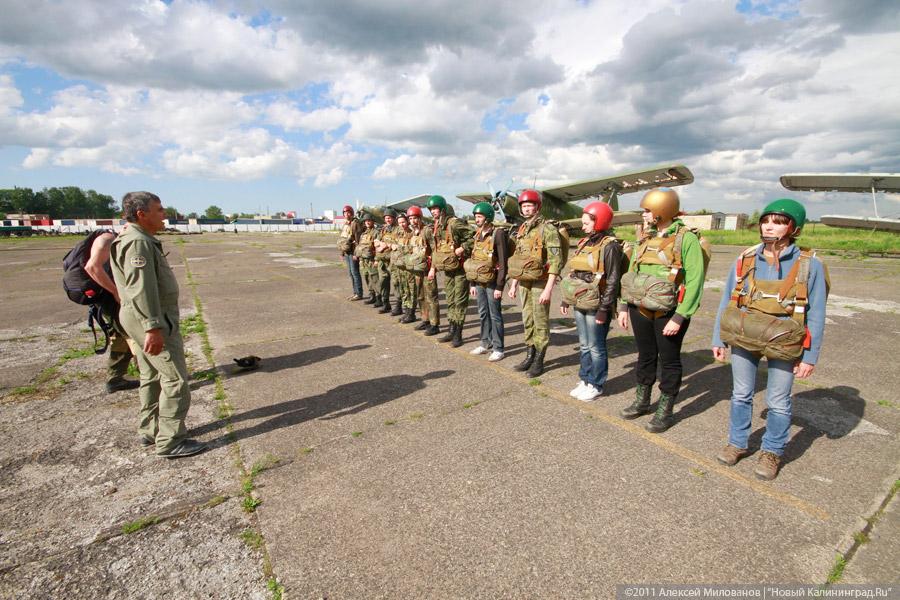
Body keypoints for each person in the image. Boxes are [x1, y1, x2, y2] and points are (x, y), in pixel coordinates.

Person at [711, 199, 827, 481]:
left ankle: (772, 451)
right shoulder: (745, 259)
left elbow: (817, 314)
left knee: (778, 400)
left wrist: (809, 357)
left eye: (778, 221)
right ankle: (737, 443)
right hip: (744, 335)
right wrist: (718, 338)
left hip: (785, 341)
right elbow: (728, 300)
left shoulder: (809, 265)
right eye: (766, 220)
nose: (769, 226)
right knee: (741, 393)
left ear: (793, 228)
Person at [110, 191, 206, 458]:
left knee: (151, 375)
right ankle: (171, 440)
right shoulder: (138, 243)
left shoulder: (136, 239)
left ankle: (150, 429)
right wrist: (153, 327)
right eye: (160, 210)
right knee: (175, 379)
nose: (164, 214)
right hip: (151, 319)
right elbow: (142, 289)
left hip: (139, 317)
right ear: (142, 214)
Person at [617, 188, 705, 433]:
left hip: (669, 312)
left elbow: (696, 280)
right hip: (640, 308)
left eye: (647, 211)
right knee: (645, 356)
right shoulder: (645, 238)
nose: (644, 215)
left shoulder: (686, 239)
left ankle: (665, 409)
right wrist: (624, 305)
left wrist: (681, 316)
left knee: (669, 360)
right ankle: (642, 401)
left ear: (661, 210)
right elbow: (631, 272)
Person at [559, 202, 623, 401]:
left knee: (596, 347)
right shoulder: (585, 244)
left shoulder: (610, 246)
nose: (583, 226)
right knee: (585, 344)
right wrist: (566, 299)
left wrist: (605, 309)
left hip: (597, 305)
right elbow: (574, 273)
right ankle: (585, 379)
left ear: (599, 222)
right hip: (581, 301)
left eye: (586, 223)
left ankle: (597, 383)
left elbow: (613, 279)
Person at [507, 189, 563, 377]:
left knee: (540, 321)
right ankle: (529, 354)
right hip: (524, 281)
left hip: (540, 282)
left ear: (537, 207)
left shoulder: (547, 228)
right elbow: (518, 258)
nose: (527, 209)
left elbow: (556, 260)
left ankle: (540, 359)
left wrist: (549, 288)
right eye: (524, 206)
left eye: (530, 205)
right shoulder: (522, 229)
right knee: (527, 319)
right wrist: (514, 283)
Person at [83, 230, 141, 393]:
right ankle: (153, 376)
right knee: (135, 335)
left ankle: (115, 378)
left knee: (120, 337)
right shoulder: (108, 238)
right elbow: (92, 267)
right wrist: (115, 291)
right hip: (111, 299)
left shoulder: (114, 238)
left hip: (109, 298)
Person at [427, 195, 473, 347]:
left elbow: (473, 236)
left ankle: (458, 334)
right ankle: (452, 330)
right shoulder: (438, 226)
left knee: (459, 301)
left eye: (436, 209)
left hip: (459, 269)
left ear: (442, 209)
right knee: (450, 299)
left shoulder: (454, 223)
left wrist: (462, 248)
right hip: (448, 268)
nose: (433, 212)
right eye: (431, 209)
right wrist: (434, 267)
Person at [465, 202, 508, 361]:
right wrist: (472, 283)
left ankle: (498, 348)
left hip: (492, 282)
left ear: (488, 217)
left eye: (480, 216)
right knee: (483, 313)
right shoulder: (477, 234)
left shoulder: (498, 234)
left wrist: (500, 286)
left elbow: (503, 263)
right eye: (476, 216)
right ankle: (485, 343)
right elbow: (474, 260)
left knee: (495, 315)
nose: (477, 219)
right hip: (479, 281)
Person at [405, 206, 439, 334]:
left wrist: (433, 269)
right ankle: (425, 320)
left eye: (415, 218)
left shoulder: (427, 231)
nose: (413, 221)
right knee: (420, 296)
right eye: (411, 218)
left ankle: (435, 324)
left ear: (420, 218)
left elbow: (435, 249)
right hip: (417, 269)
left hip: (427, 269)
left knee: (431, 297)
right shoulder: (413, 233)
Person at [391, 212, 417, 323]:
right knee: (404, 289)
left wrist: (398, 247)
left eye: (403, 222)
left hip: (409, 266)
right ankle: (406, 311)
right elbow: (392, 243)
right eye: (399, 222)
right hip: (400, 265)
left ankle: (411, 313)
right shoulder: (399, 233)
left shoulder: (413, 233)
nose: (402, 224)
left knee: (411, 290)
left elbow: (412, 249)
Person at [374, 208, 399, 314]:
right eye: (386, 218)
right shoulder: (383, 230)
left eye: (390, 218)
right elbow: (376, 243)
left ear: (394, 218)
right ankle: (386, 304)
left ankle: (398, 305)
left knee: (396, 283)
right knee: (383, 283)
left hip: (393, 261)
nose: (388, 220)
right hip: (382, 261)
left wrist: (385, 245)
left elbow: (397, 245)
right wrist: (376, 258)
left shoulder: (398, 230)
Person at [337, 205, 363, 301]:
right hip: (347, 251)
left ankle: (359, 293)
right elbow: (342, 239)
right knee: (350, 273)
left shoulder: (355, 223)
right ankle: (355, 292)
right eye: (345, 213)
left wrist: (357, 254)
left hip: (353, 252)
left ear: (352, 214)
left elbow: (358, 240)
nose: (346, 214)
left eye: (348, 213)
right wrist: (342, 252)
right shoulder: (345, 224)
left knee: (355, 273)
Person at [355, 213, 380, 305]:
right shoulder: (363, 233)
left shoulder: (376, 232)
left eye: (369, 220)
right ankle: (372, 295)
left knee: (375, 278)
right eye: (366, 221)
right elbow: (361, 246)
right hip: (364, 260)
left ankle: (379, 297)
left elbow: (378, 247)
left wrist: (377, 259)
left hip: (371, 260)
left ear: (373, 221)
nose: (367, 222)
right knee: (367, 277)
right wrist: (359, 257)